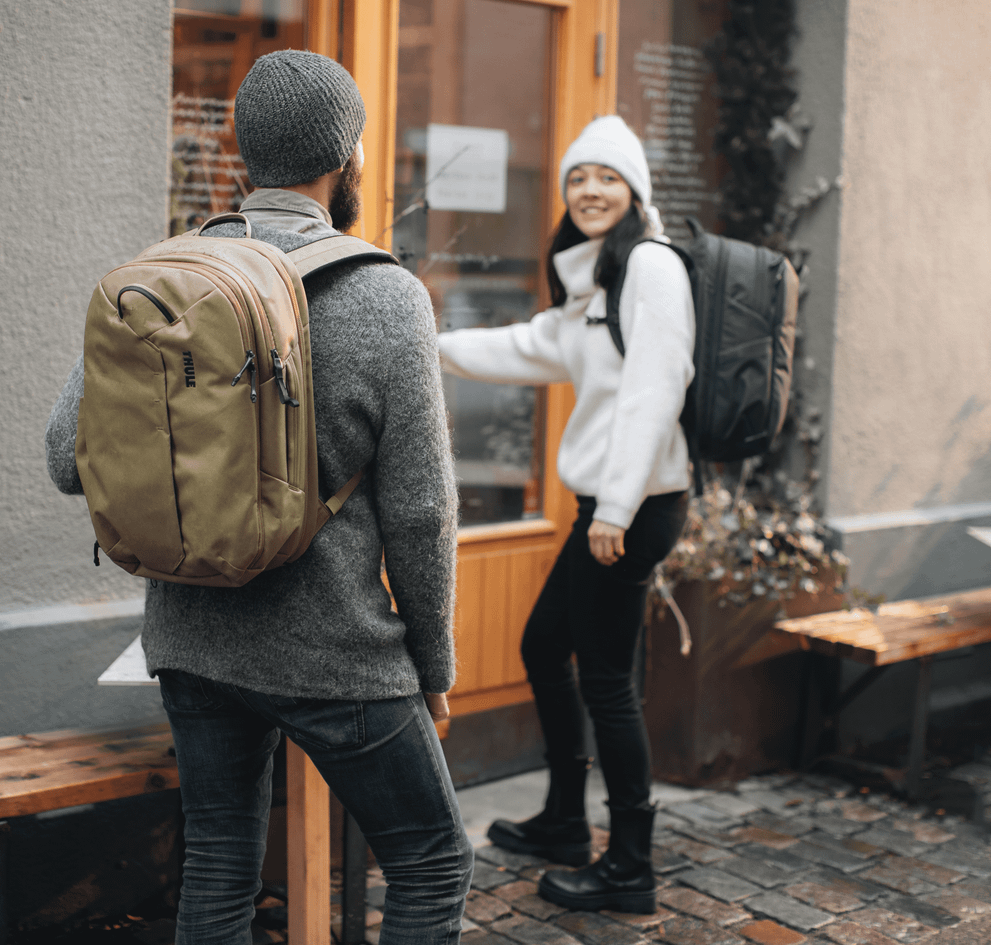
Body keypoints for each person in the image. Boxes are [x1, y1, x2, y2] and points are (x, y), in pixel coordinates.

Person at [46, 50, 472, 945]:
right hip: (337, 653)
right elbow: (422, 512)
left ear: (245, 154)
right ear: (347, 157)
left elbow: (63, 455)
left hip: (191, 639)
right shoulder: (387, 293)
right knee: (432, 861)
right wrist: (431, 665)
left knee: (220, 862)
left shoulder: (164, 276)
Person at [436, 115, 694, 914]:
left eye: (606, 177)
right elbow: (525, 345)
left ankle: (629, 865)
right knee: (543, 644)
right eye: (577, 177)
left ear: (634, 191)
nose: (588, 190)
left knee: (607, 683)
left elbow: (657, 389)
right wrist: (426, 338)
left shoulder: (649, 266)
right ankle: (561, 820)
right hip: (609, 504)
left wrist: (613, 507)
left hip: (635, 502)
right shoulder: (595, 287)